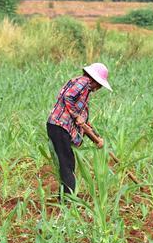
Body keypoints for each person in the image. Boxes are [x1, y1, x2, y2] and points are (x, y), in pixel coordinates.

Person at [46, 63, 112, 198]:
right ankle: (68, 200)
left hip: (60, 127)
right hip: (59, 126)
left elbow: (84, 121)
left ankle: (65, 197)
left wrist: (96, 138)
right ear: (95, 81)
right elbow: (68, 97)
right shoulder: (83, 82)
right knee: (67, 163)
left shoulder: (84, 89)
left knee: (68, 163)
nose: (99, 88)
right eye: (100, 85)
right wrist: (76, 116)